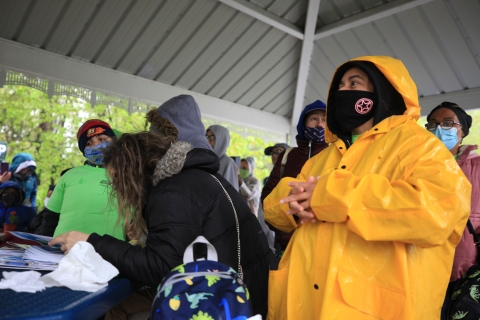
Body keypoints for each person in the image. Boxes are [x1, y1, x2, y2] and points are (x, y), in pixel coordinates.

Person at [263, 56, 471, 319]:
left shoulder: (420, 147)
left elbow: (436, 214)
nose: (342, 91)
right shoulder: (323, 158)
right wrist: (292, 206)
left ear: (382, 90)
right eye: (340, 85)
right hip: (303, 303)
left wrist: (331, 196)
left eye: (354, 83)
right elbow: (271, 210)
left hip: (375, 308)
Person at [50, 117, 273, 318]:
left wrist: (92, 241)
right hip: (238, 287)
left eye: (117, 180)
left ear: (131, 172)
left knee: (113, 307)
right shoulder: (184, 179)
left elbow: (161, 268)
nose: (117, 188)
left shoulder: (171, 192)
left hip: (225, 301)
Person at [425, 102, 479, 320]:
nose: (439, 129)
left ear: (462, 131)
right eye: (432, 124)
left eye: (448, 123)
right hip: (424, 268)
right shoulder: (416, 167)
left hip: (467, 270)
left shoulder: (477, 166)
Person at [262, 100, 329, 256]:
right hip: (286, 245)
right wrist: (282, 225)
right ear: (303, 123)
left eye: (325, 120)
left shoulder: (337, 156)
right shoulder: (287, 156)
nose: (320, 124)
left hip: (320, 246)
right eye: (314, 119)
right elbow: (268, 197)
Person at [37, 119, 124, 240]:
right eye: (88, 143)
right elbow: (50, 218)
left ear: (114, 141)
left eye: (102, 139)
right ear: (84, 152)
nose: (96, 145)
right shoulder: (69, 175)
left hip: (112, 254)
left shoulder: (128, 175)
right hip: (63, 251)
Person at [206, 125, 239, 190]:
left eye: (212, 137)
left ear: (222, 140)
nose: (208, 141)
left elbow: (231, 194)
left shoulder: (228, 163)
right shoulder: (206, 160)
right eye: (207, 136)